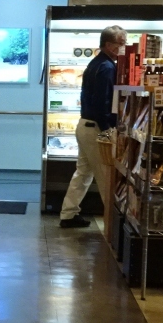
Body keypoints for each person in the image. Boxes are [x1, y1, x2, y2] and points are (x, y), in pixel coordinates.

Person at [60, 25, 126, 228]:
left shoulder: (96, 63)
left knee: (83, 173)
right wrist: (109, 129)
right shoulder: (107, 67)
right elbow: (102, 102)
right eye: (121, 43)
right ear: (109, 45)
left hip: (85, 126)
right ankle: (113, 225)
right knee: (106, 176)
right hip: (96, 129)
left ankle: (68, 214)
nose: (124, 47)